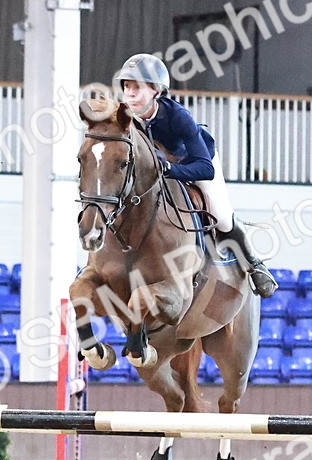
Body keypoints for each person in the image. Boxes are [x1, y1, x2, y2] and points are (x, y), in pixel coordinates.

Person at [112, 53, 278, 298]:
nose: (130, 94)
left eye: (137, 87)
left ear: (156, 90)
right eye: (127, 87)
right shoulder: (125, 119)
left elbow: (205, 169)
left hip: (195, 162)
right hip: (159, 171)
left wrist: (170, 170)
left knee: (221, 217)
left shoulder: (178, 116)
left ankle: (254, 265)